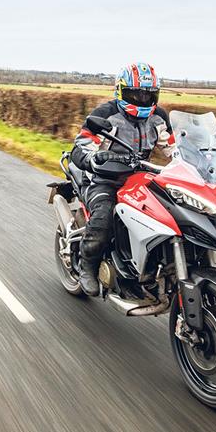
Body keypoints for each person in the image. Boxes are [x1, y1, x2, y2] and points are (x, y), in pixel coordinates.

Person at [70, 62, 176, 296]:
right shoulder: (105, 114)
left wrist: (195, 161)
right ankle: (87, 266)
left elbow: (173, 148)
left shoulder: (159, 117)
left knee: (168, 211)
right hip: (103, 178)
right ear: (120, 90)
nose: (142, 98)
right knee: (104, 215)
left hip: (140, 176)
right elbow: (80, 148)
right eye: (135, 93)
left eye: (148, 94)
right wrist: (93, 159)